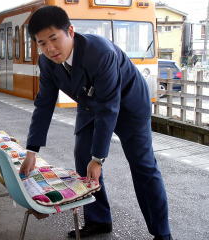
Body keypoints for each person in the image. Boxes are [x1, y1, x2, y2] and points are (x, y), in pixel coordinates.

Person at [19, 6, 172, 240]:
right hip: (91, 103)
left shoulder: (100, 52)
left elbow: (109, 108)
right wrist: (32, 150)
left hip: (129, 105)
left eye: (53, 38)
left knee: (143, 166)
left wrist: (99, 158)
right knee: (83, 157)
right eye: (41, 43)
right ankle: (98, 220)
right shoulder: (47, 63)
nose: (49, 48)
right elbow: (44, 105)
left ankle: (162, 234)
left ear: (70, 31)